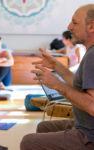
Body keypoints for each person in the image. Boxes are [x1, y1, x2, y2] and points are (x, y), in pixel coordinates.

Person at [20, 4, 94, 150]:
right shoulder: (90, 53)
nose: (69, 26)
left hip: (89, 135)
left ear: (91, 27)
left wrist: (57, 85)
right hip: (86, 125)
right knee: (43, 127)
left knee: (28, 142)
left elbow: (92, 106)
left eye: (75, 22)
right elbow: (78, 85)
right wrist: (56, 66)